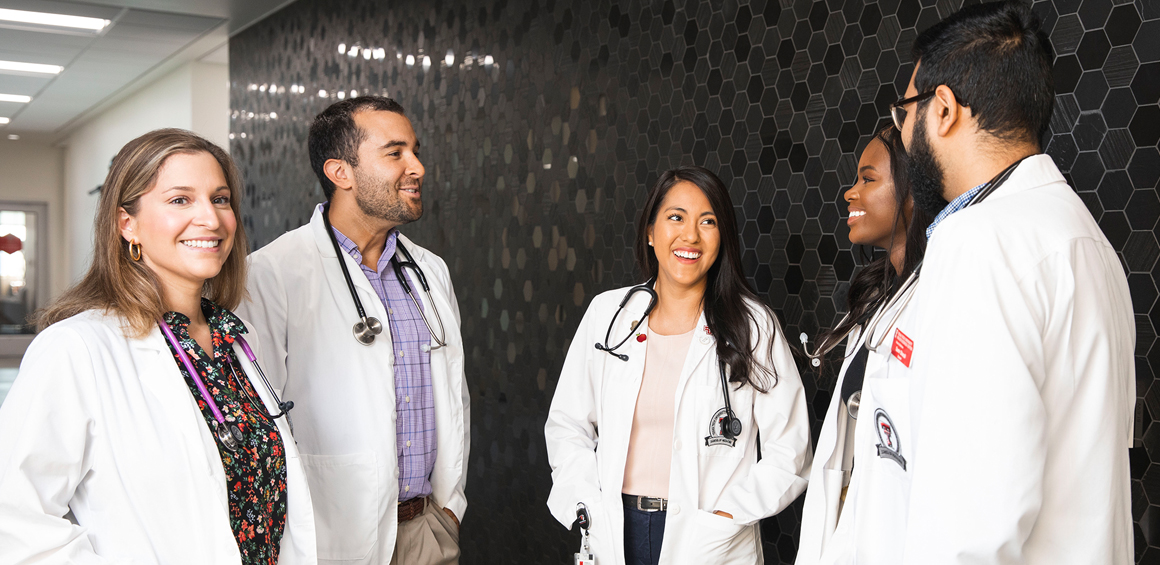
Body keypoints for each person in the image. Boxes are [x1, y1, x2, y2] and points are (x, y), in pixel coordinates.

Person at [822, 2, 1135, 563]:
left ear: (942, 110)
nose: (903, 129)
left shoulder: (981, 243)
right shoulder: (1086, 240)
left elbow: (967, 526)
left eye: (905, 112)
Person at [0, 129, 316, 563]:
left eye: (220, 199)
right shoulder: (76, 348)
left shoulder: (236, 338)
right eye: (180, 200)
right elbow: (15, 521)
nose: (210, 218)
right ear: (126, 223)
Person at [237, 97, 468, 565]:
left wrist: (449, 509)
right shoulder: (271, 274)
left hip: (428, 530)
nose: (417, 167)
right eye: (395, 152)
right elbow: (260, 428)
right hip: (330, 538)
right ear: (341, 172)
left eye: (415, 151)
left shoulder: (429, 270)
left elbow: (454, 394)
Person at [545, 166, 812, 565]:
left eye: (708, 221)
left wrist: (726, 516)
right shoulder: (608, 316)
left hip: (708, 540)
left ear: (722, 239)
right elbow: (567, 425)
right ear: (650, 233)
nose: (690, 236)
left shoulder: (752, 326)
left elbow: (790, 450)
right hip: (616, 529)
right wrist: (586, 504)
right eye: (676, 218)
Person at [795, 126, 932, 563]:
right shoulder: (880, 298)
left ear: (913, 192)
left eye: (868, 180)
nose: (849, 193)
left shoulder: (935, 300)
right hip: (850, 524)